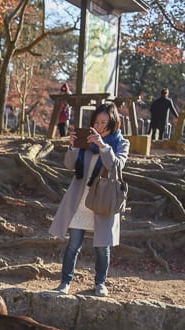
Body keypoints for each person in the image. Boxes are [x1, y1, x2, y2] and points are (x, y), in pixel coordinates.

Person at [49, 102, 130, 297]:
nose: (100, 126)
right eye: (97, 122)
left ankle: (100, 283)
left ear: (113, 122)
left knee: (102, 247)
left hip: (103, 200)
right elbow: (69, 165)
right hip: (80, 199)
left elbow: (116, 166)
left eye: (104, 122)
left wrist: (103, 146)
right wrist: (72, 146)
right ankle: (65, 282)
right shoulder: (86, 140)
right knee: (73, 245)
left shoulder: (120, 143)